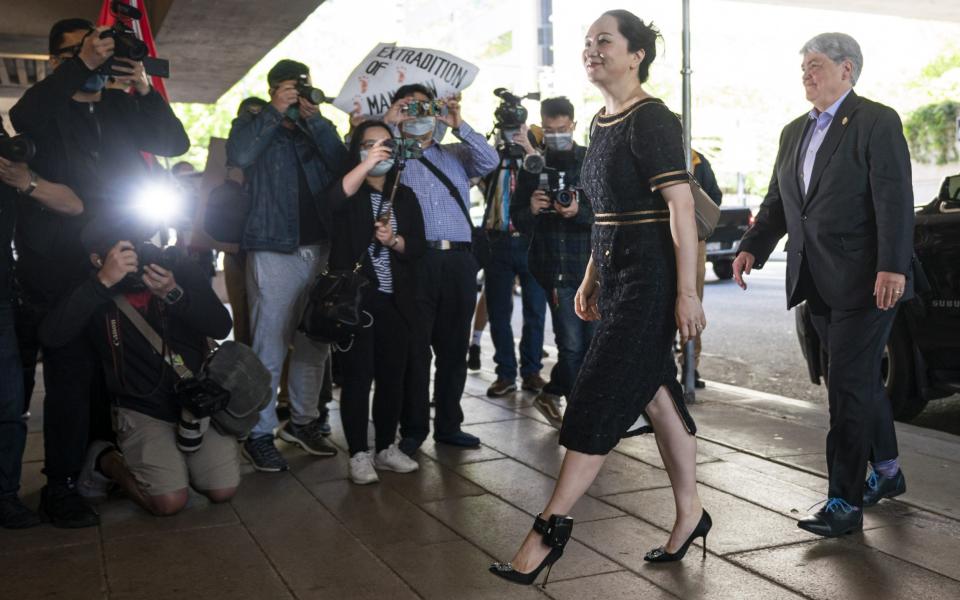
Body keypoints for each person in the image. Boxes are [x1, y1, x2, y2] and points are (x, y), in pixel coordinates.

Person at [490, 11, 710, 586]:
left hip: (652, 281)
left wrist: (687, 293)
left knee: (597, 392)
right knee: (658, 398)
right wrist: (591, 278)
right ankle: (692, 515)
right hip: (615, 276)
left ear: (636, 54)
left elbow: (681, 208)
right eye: (587, 43)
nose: (591, 50)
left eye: (603, 42)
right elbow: (605, 217)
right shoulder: (602, 120)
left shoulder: (652, 118)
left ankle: (548, 530)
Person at [733, 32, 914, 537]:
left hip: (868, 280)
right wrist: (752, 244)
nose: (806, 74)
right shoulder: (795, 131)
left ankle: (844, 502)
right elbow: (780, 202)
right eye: (803, 67)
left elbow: (894, 198)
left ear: (847, 69)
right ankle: (890, 473)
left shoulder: (877, 121)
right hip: (816, 278)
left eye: (815, 65)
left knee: (848, 390)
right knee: (853, 381)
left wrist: (892, 266)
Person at [10, 18, 189, 527]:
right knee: (70, 376)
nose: (91, 59)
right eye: (77, 52)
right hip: (60, 266)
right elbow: (25, 112)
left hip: (126, 255)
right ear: (56, 63)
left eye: (97, 50)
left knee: (119, 369)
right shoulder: (45, 111)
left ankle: (109, 459)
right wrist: (84, 63)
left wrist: (139, 85)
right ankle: (60, 485)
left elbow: (173, 142)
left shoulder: (118, 106)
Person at [38, 219, 238, 516]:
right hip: (141, 409)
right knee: (169, 502)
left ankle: (172, 462)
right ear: (97, 258)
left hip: (193, 404)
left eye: (140, 246)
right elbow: (51, 337)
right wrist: (101, 282)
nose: (137, 258)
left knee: (222, 490)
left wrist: (173, 293)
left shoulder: (174, 268)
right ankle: (105, 459)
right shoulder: (91, 288)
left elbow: (221, 326)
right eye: (124, 252)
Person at [226, 59, 348, 472]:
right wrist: (275, 111)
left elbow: (343, 167)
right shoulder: (256, 116)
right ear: (274, 89)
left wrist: (318, 121)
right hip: (273, 247)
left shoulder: (316, 125)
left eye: (302, 87)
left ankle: (303, 423)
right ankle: (258, 434)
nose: (297, 94)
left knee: (315, 341)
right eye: (288, 89)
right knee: (270, 343)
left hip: (321, 248)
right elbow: (240, 154)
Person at [382, 83, 499, 455]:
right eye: (409, 108)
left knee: (453, 349)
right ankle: (413, 429)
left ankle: (450, 425)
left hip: (460, 262)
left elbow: (490, 160)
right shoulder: (393, 159)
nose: (418, 115)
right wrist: (389, 125)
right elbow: (363, 167)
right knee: (416, 350)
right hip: (416, 260)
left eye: (424, 107)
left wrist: (458, 122)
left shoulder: (454, 154)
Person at [327, 120, 427, 484]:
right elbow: (332, 199)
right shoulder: (350, 194)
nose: (378, 150)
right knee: (357, 378)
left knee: (392, 377)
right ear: (357, 151)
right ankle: (358, 453)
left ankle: (386, 447)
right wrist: (367, 164)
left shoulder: (404, 195)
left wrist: (394, 241)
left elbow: (417, 246)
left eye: (384, 144)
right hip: (358, 302)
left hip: (396, 301)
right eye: (369, 145)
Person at [0, 117, 85, 528]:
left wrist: (24, 180)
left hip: (32, 293)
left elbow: (73, 203)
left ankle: (31, 492)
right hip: (11, 297)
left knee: (34, 400)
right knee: (9, 403)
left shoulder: (20, 158)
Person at [511, 97, 596, 427]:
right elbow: (518, 219)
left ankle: (552, 393)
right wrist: (531, 209)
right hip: (556, 267)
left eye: (562, 129)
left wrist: (578, 212)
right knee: (572, 346)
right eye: (549, 130)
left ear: (573, 125)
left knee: (593, 345)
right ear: (542, 127)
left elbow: (607, 214)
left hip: (592, 268)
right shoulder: (534, 166)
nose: (556, 135)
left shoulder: (591, 161)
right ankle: (581, 419)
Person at [480, 122, 547, 398]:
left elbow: (547, 180)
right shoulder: (491, 160)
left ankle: (531, 372)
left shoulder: (538, 161)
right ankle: (505, 373)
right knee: (498, 311)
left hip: (532, 241)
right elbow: (476, 175)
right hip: (497, 241)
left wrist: (530, 150)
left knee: (535, 310)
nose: (512, 139)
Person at [685, 150, 723, 388]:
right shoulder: (650, 153)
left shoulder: (697, 160)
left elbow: (714, 197)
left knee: (693, 301)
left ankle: (690, 365)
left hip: (694, 240)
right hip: (660, 238)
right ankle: (664, 363)